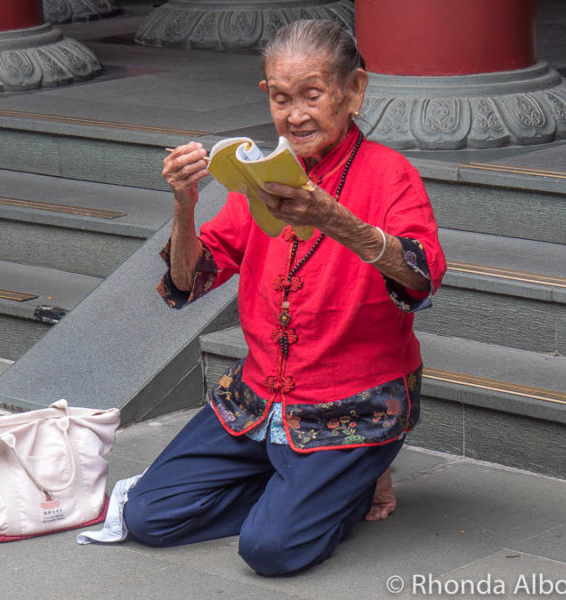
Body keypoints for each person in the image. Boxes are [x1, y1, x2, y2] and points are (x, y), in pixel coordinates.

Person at [123, 19, 446, 576]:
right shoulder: (263, 173)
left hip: (352, 405)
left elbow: (420, 277)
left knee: (269, 550)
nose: (295, 114)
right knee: (148, 517)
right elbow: (191, 280)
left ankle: (347, 476)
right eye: (280, 97)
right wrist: (184, 204)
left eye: (312, 94)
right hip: (256, 399)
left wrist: (335, 219)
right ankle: (306, 486)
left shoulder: (391, 174)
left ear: (355, 89)